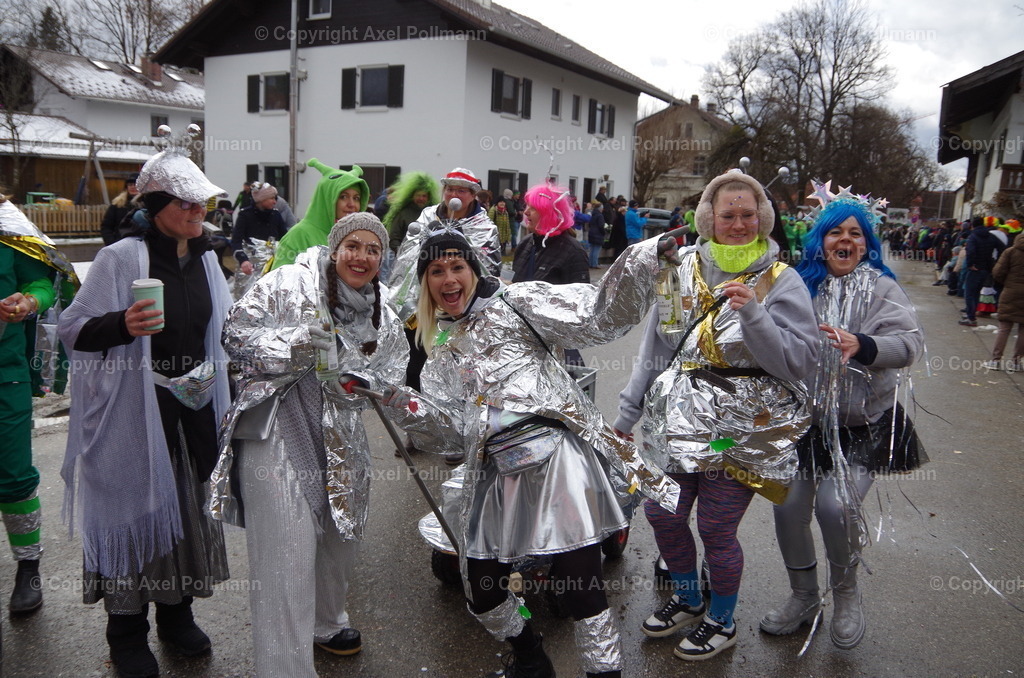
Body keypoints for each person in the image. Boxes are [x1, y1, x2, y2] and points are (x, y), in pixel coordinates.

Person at [383, 226, 680, 678]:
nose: (448, 280)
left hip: (556, 458)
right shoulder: (441, 351)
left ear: (472, 269)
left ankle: (606, 674)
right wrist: (390, 398)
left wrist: (643, 258)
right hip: (494, 471)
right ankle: (530, 656)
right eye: (437, 271)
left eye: (456, 267)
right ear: (425, 281)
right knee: (482, 589)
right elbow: (449, 436)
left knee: (579, 587)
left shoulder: (517, 301)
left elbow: (596, 315)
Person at [615, 170, 818, 661]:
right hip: (676, 425)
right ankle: (687, 598)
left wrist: (755, 315)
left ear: (763, 219)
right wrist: (627, 412)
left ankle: (721, 619)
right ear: (708, 217)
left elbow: (798, 360)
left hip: (740, 433)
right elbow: (656, 349)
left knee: (715, 528)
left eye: (749, 214)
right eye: (728, 214)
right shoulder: (678, 272)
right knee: (661, 513)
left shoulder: (781, 280)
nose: (739, 223)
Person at [58, 129, 233, 678]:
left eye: (202, 202)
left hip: (192, 412)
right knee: (136, 514)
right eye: (185, 202)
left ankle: (176, 614)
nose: (197, 210)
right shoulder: (119, 258)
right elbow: (71, 328)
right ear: (156, 206)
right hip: (135, 416)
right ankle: (127, 632)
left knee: (182, 510)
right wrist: (121, 324)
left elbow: (226, 332)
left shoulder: (207, 260)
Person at [209, 213, 407, 677]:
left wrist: (356, 380)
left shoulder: (384, 312)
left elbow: (389, 377)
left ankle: (325, 622)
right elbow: (235, 338)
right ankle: (283, 669)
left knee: (339, 540)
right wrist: (297, 343)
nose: (361, 257)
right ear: (336, 248)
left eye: (373, 249)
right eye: (353, 246)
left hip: (341, 437)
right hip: (278, 427)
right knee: (286, 556)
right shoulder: (287, 281)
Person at [762, 189, 925, 649]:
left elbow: (910, 343)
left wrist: (865, 345)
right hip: (806, 423)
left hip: (864, 424)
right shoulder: (798, 285)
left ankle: (847, 594)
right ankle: (804, 596)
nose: (845, 239)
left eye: (855, 233)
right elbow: (772, 339)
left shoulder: (882, 287)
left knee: (835, 506)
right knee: (789, 506)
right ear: (821, 240)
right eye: (836, 231)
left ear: (867, 243)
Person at [387, 167, 501, 463]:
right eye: (449, 189)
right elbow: (408, 259)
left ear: (473, 195)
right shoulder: (426, 217)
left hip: (461, 314)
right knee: (414, 368)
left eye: (461, 190)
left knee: (458, 374)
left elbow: (487, 270)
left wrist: (457, 245)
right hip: (423, 309)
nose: (453, 195)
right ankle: (418, 429)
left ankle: (457, 434)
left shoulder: (484, 228)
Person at [0, 194, 78, 617]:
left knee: (12, 473)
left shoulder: (6, 230)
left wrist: (29, 301)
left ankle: (28, 567)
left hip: (4, 374)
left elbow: (46, 281)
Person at [271, 160, 369, 270]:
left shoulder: (356, 236)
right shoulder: (298, 236)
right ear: (326, 199)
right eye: (343, 197)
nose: (352, 204)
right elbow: (278, 280)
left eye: (356, 198)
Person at [231, 182, 288, 276]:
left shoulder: (275, 215)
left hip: (273, 266)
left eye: (275, 198)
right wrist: (243, 260)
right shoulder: (245, 215)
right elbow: (236, 241)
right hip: (251, 267)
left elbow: (285, 239)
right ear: (261, 199)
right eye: (272, 198)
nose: (275, 202)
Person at [988, 229, 1024, 371]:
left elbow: (998, 272)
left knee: (1004, 328)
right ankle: (1016, 362)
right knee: (1023, 330)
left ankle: (995, 360)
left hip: (1010, 291)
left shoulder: (1011, 252)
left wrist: (1007, 283)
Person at [960, 216, 1005, 326]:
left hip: (975, 268)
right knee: (976, 293)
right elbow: (1002, 248)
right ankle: (972, 314)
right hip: (986, 267)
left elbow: (970, 251)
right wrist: (994, 261)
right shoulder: (991, 236)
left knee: (969, 293)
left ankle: (971, 317)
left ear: (973, 225)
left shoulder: (973, 237)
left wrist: (970, 264)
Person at [100, 172, 141, 246]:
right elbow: (106, 226)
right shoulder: (117, 204)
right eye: (130, 185)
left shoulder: (147, 203)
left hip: (141, 245)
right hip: (120, 244)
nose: (133, 187)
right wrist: (111, 243)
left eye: (136, 184)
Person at [587, 200, 606, 269]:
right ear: (600, 208)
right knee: (596, 250)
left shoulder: (593, 214)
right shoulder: (600, 216)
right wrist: (603, 232)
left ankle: (590, 263)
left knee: (592, 249)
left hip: (591, 233)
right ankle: (594, 264)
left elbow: (589, 224)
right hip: (598, 234)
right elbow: (601, 226)